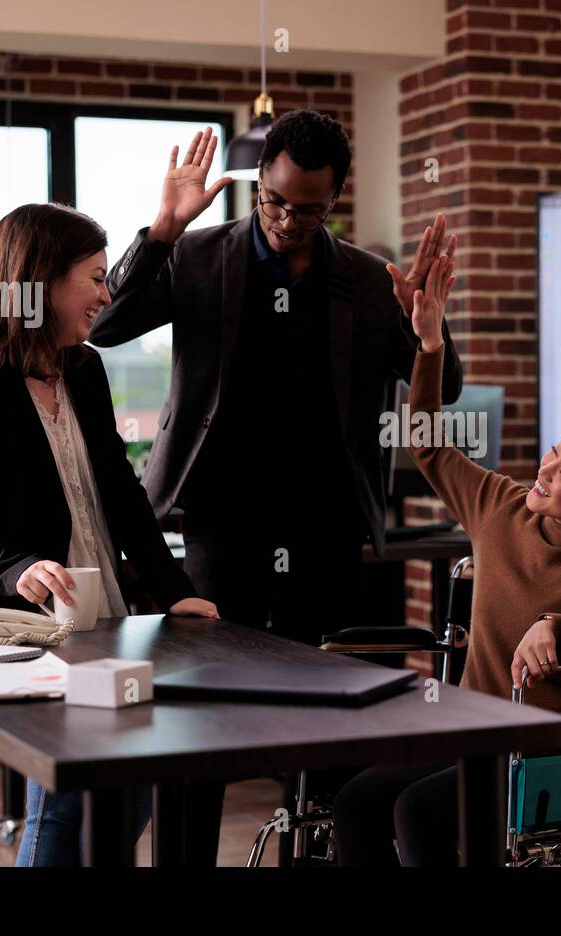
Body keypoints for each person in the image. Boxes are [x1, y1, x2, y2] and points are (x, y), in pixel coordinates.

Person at [0, 202, 218, 867]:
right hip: (19, 631)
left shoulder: (83, 370)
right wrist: (13, 564)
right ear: (42, 281)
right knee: (66, 802)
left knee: (131, 785)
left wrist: (172, 590)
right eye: (97, 277)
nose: (108, 295)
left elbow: (124, 495)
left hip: (102, 618)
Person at [330, 253, 561, 866]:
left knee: (419, 811)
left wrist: (558, 627)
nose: (544, 469)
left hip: (553, 750)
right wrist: (429, 343)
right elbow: (427, 443)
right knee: (357, 802)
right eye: (555, 452)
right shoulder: (501, 505)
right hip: (473, 730)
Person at [89, 110, 463, 643]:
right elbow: (102, 326)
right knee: (214, 669)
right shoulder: (196, 255)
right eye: (276, 201)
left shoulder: (371, 281)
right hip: (220, 515)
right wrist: (164, 231)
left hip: (327, 520)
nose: (287, 220)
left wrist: (423, 322)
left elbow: (445, 389)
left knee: (319, 676)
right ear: (259, 177)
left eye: (309, 210)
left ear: (334, 199)